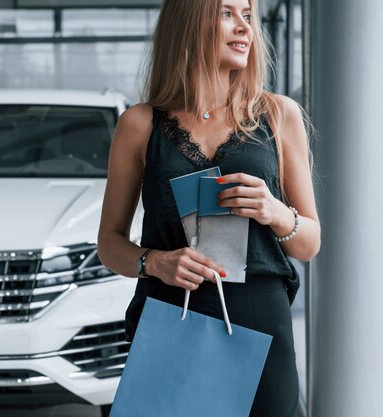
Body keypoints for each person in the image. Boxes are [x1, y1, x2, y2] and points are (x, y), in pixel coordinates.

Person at [96, 0, 321, 415]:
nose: (244, 28)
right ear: (189, 22)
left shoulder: (278, 115)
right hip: (171, 309)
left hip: (259, 311)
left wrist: (274, 211)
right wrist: (154, 262)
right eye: (227, 13)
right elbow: (108, 243)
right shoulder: (139, 124)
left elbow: (308, 244)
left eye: (248, 16)